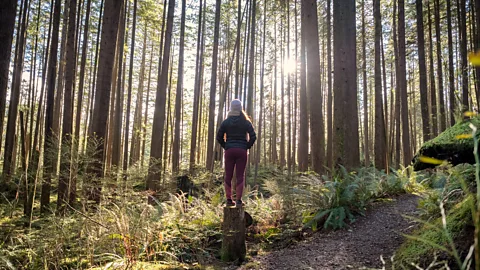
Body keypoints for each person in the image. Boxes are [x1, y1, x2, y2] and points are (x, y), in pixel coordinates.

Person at [216, 99, 256, 207]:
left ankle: (229, 200)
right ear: (240, 108)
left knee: (228, 176)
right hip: (241, 151)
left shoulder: (226, 122)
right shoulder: (246, 122)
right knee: (240, 176)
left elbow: (218, 137)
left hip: (229, 151)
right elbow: (253, 136)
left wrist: (227, 146)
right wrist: (246, 146)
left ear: (231, 108)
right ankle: (238, 201)